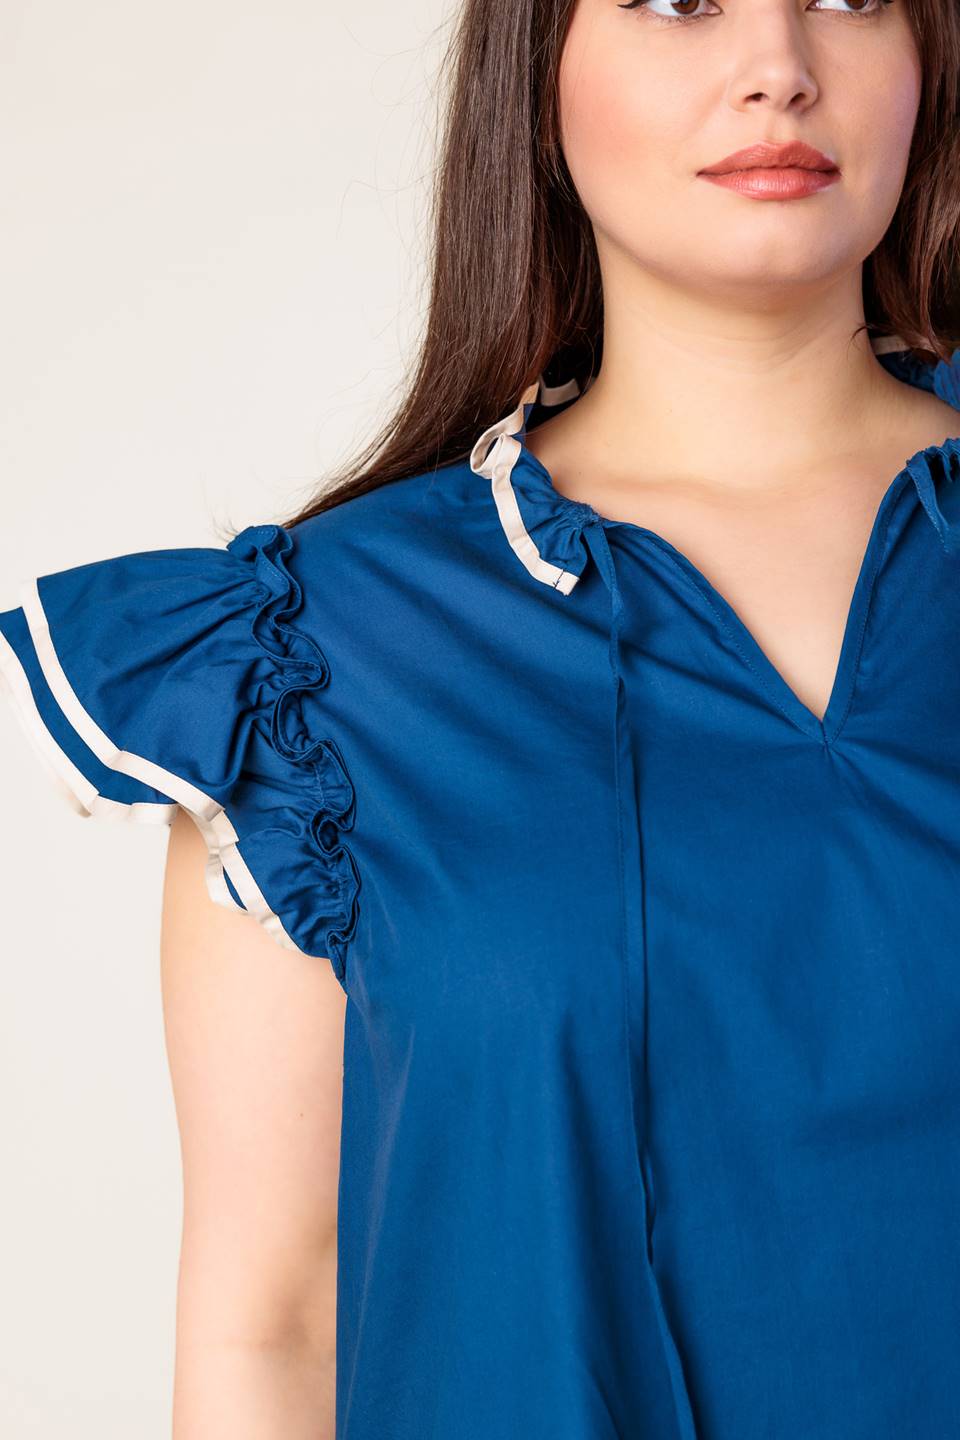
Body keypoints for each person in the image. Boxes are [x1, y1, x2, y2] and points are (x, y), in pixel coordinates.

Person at [3, 0, 960, 1436]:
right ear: (538, 68)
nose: (779, 66)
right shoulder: (315, 664)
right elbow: (274, 1327)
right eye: (678, 1)